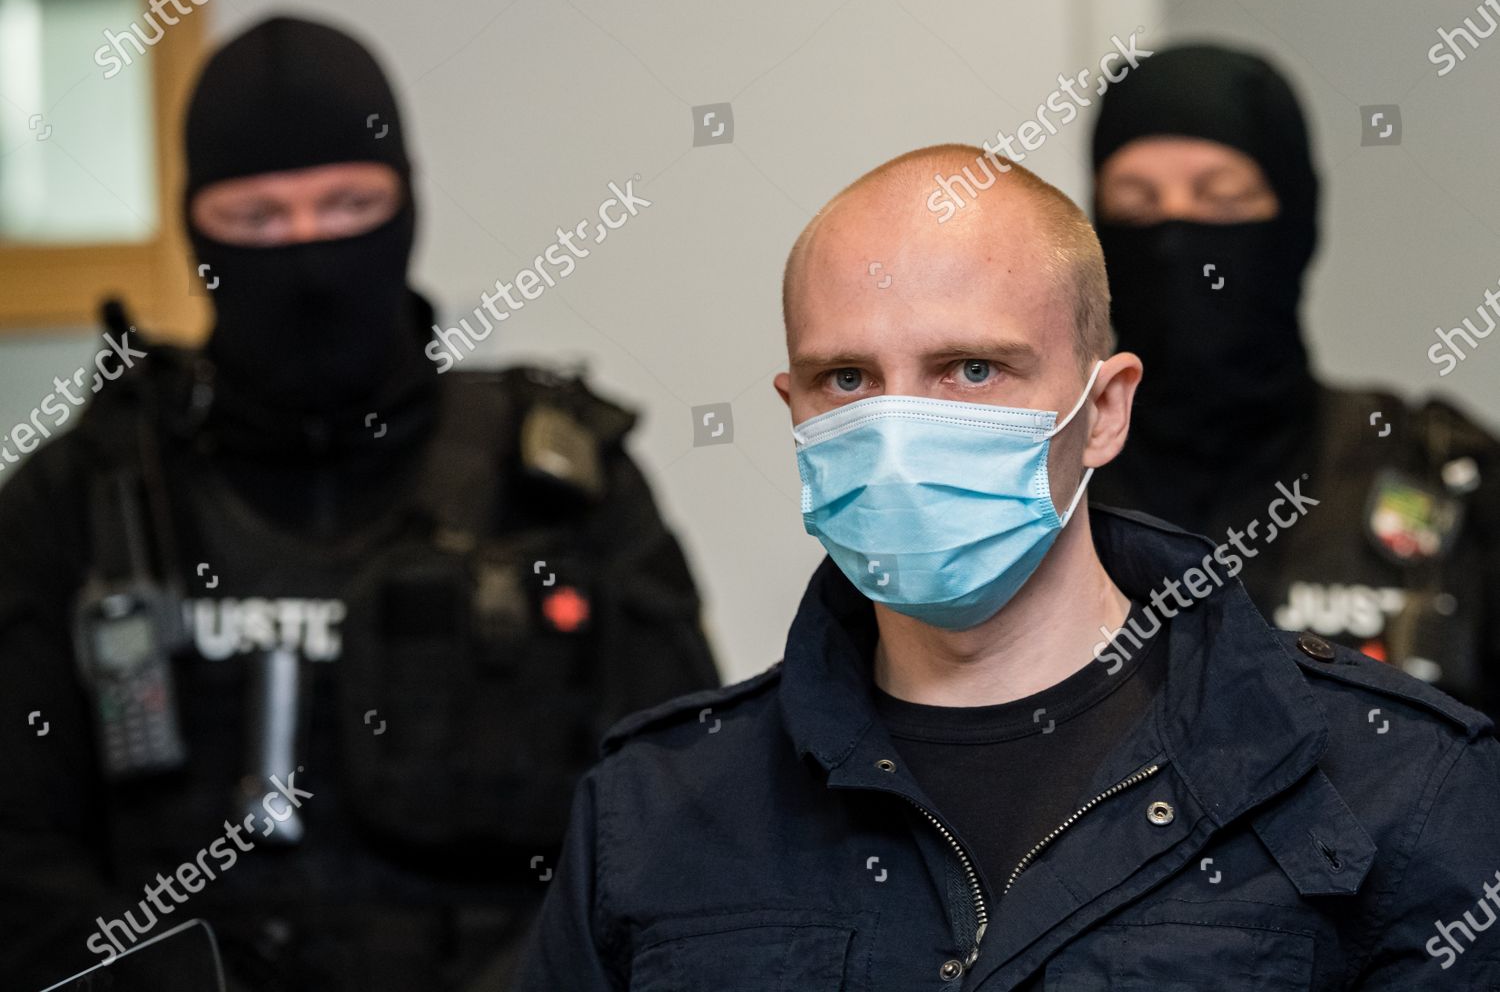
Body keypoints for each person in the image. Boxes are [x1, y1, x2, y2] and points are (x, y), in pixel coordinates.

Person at [514, 144, 1500, 990]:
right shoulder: (655, 812)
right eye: (847, 379)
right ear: (795, 406)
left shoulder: (1390, 785)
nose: (898, 432)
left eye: (971, 370)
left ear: (1103, 410)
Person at [0, 15, 718, 991]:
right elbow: (14, 853)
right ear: (193, 223)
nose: (306, 253)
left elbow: (684, 822)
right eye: (256, 218)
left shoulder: (560, 487)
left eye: (347, 205)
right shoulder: (77, 500)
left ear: (408, 202)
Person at [1088, 44, 1500, 717]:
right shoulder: (1044, 487)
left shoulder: (1439, 475)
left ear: (1296, 220)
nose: (1174, 239)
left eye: (1221, 200)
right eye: (1135, 208)